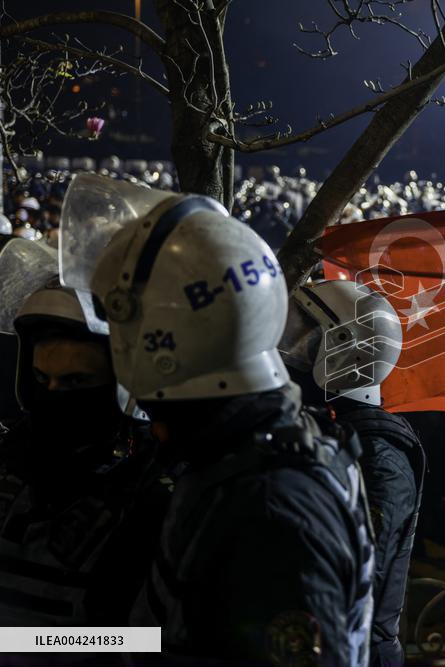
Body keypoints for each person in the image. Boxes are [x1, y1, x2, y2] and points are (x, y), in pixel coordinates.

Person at [64, 174, 373, 665]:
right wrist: (32, 641)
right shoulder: (241, 451)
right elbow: (166, 635)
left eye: (119, 317)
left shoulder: (267, 511)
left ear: (162, 339)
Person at [0, 278, 169, 625]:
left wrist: (28, 644)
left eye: (77, 382)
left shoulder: (157, 493)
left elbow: (152, 645)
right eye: (41, 378)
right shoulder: (10, 455)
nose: (54, 397)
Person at [280, 279, 425, 667]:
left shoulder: (379, 457)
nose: (288, 352)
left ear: (343, 352)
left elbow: (350, 582)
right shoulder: (324, 427)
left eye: (303, 341)